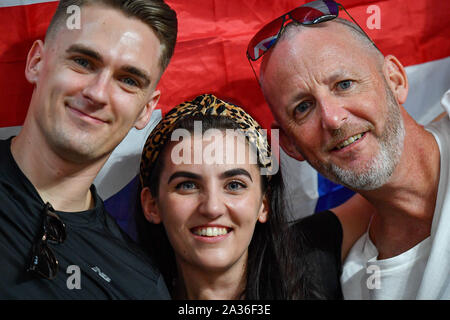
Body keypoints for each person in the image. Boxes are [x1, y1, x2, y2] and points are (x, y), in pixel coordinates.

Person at [251, 0, 450, 299]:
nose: (332, 118)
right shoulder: (358, 283)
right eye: (303, 107)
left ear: (395, 80)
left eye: (344, 84)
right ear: (291, 146)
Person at [0, 0, 177, 299]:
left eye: (128, 80)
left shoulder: (138, 286)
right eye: (83, 62)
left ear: (146, 110)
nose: (97, 93)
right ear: (36, 63)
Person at [136, 93, 372, 299]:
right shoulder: (120, 287)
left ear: (264, 203)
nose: (212, 207)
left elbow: (393, 194)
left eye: (234, 185)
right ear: (152, 204)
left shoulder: (309, 264)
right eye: (187, 185)